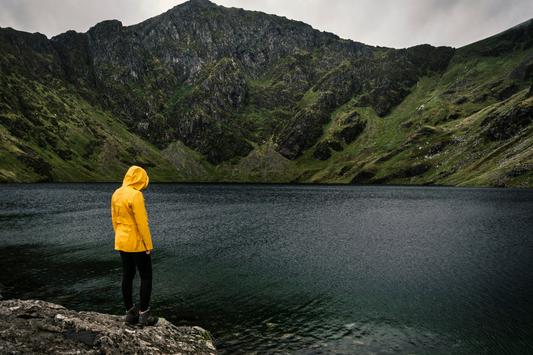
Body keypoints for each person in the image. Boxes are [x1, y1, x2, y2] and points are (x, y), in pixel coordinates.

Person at [111, 165, 158, 327]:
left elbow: (114, 219)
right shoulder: (136, 195)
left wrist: (119, 236)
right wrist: (148, 244)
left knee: (127, 276)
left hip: (122, 241)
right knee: (146, 277)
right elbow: (142, 223)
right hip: (137, 243)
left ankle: (130, 313)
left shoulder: (117, 193)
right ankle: (144, 315)